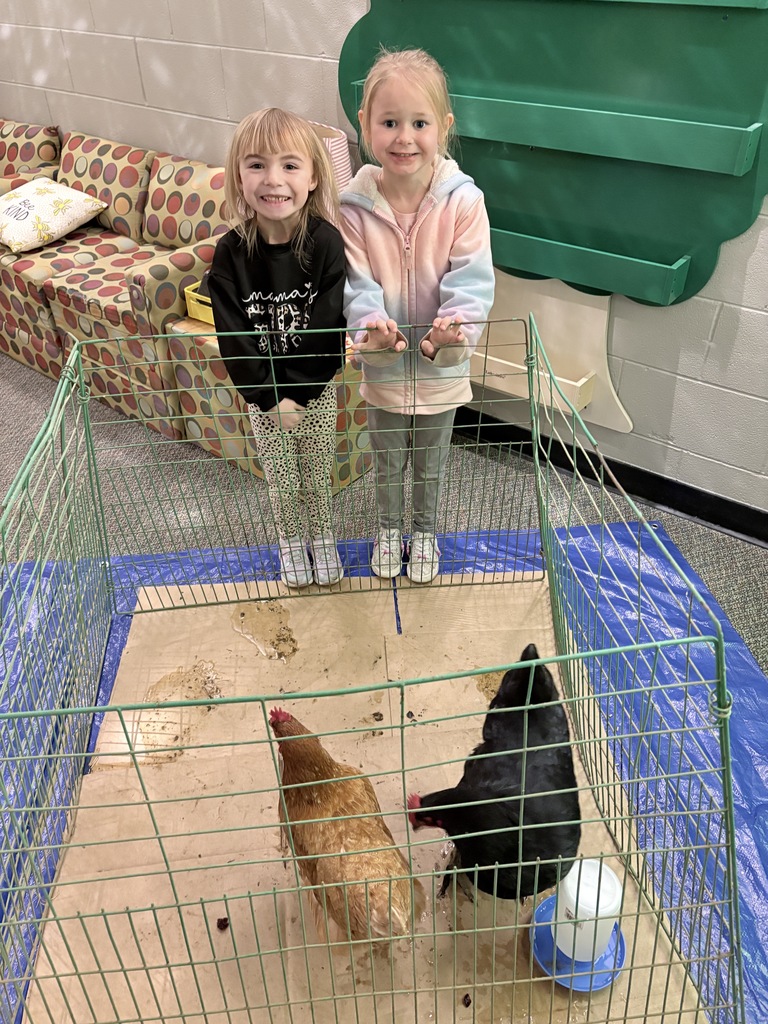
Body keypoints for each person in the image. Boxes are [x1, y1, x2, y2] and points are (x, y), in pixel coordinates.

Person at [340, 48, 495, 584]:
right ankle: (388, 531)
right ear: (365, 124)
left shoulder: (464, 202)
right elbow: (356, 283)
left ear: (443, 128)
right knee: (386, 460)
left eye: (419, 123)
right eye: (389, 122)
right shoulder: (353, 207)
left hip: (441, 369)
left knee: (430, 464)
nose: (404, 137)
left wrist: (455, 329)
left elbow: (472, 279)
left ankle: (424, 532)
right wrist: (369, 329)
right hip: (383, 368)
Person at [208, 107, 346, 588]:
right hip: (262, 398)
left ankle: (323, 540)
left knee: (317, 471)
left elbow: (331, 323)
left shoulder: (327, 244)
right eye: (256, 165)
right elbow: (232, 333)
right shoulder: (231, 252)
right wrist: (269, 397)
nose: (274, 179)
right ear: (238, 177)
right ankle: (291, 543)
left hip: (317, 389)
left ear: (311, 177)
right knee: (282, 478)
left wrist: (300, 394)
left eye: (290, 165)